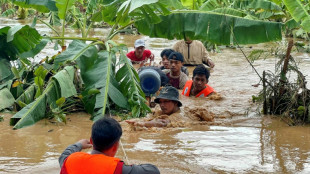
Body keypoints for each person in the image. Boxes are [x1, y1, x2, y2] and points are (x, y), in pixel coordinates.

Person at [59, 117, 160, 174]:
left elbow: (65, 154)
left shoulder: (70, 161)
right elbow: (154, 171)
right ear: (116, 146)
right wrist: (131, 167)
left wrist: (79, 144)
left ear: (91, 141)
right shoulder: (118, 168)